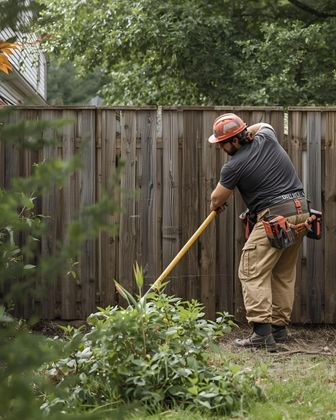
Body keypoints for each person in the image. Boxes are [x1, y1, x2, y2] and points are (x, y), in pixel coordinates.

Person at [208, 113, 310, 351]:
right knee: (283, 271)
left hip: (274, 217)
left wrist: (217, 204)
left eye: (223, 142)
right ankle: (278, 330)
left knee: (251, 269)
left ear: (234, 141)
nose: (221, 147)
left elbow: (216, 198)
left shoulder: (233, 166)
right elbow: (263, 124)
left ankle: (262, 335)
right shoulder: (266, 137)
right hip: (301, 210)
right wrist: (247, 131)